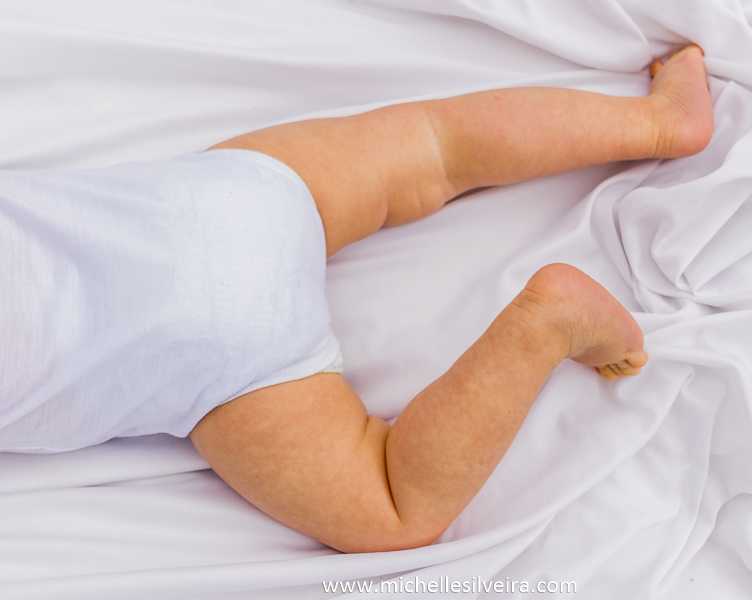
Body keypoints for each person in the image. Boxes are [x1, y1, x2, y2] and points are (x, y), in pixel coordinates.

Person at [0, 45, 712, 553]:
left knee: (395, 502)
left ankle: (545, 325)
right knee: (435, 145)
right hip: (215, 204)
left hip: (212, 357)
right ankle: (659, 123)